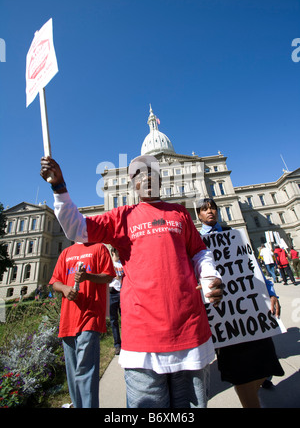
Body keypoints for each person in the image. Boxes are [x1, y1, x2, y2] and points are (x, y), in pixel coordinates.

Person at [41, 154, 223, 409]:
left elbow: (199, 252)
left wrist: (210, 276)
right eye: (139, 173)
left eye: (152, 172)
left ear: (161, 179)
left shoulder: (180, 213)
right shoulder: (122, 217)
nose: (147, 176)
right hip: (142, 343)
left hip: (189, 335)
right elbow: (76, 229)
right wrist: (59, 187)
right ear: (133, 184)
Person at [196, 198, 284, 408]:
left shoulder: (235, 235)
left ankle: (255, 394)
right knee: (239, 372)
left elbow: (253, 267)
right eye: (204, 209)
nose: (210, 212)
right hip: (224, 316)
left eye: (213, 208)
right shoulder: (197, 240)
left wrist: (271, 293)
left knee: (265, 366)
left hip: (251, 311)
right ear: (198, 214)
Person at [49, 242, 115, 408]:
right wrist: (64, 289)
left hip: (90, 316)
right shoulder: (66, 252)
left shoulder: (99, 248)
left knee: (85, 370)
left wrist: (88, 276)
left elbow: (108, 275)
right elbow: (55, 281)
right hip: (68, 319)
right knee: (73, 373)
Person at [109, 247, 124, 355]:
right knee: (114, 320)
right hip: (112, 292)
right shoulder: (109, 264)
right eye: (118, 251)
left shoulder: (122, 263)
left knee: (124, 318)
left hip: (123, 291)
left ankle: (127, 342)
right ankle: (117, 344)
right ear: (113, 252)